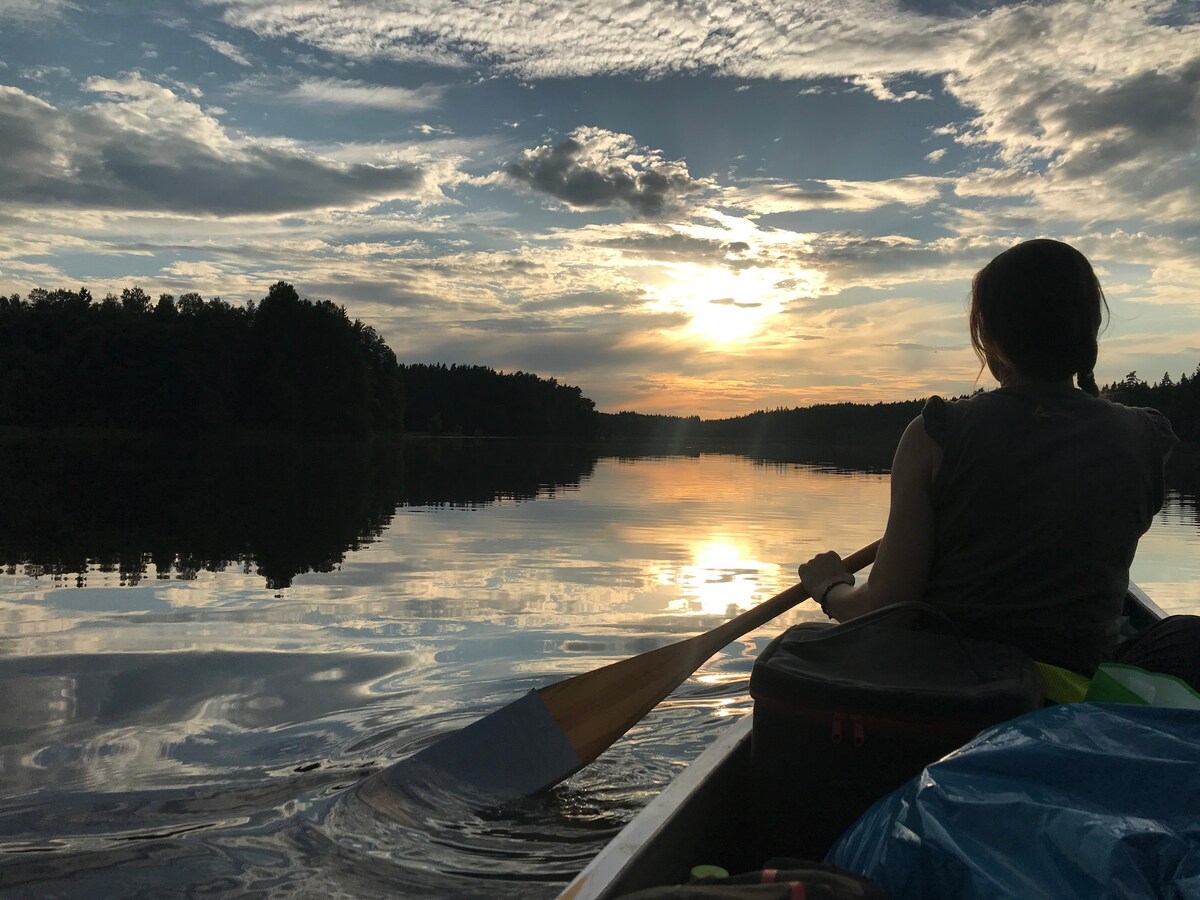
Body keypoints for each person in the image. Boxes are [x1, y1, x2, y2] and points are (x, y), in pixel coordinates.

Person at [798, 238, 1188, 680]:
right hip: (1076, 694)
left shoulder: (936, 433)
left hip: (956, 695)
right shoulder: (1148, 438)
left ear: (987, 335)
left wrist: (830, 587)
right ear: (1091, 327)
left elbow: (888, 613)